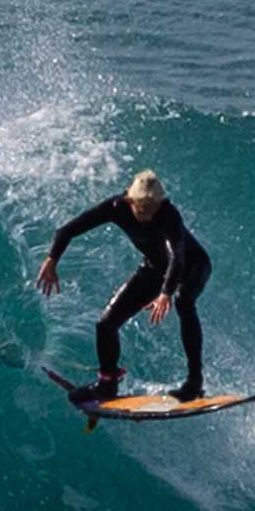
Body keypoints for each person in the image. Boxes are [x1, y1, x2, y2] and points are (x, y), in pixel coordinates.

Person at [36, 169, 212, 403]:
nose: (149, 215)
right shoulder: (117, 207)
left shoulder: (169, 215)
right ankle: (107, 383)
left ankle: (194, 383)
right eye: (143, 209)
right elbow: (69, 229)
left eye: (153, 209)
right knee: (105, 324)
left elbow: (177, 258)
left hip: (193, 266)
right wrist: (52, 260)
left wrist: (165, 293)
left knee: (184, 301)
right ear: (130, 200)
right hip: (154, 269)